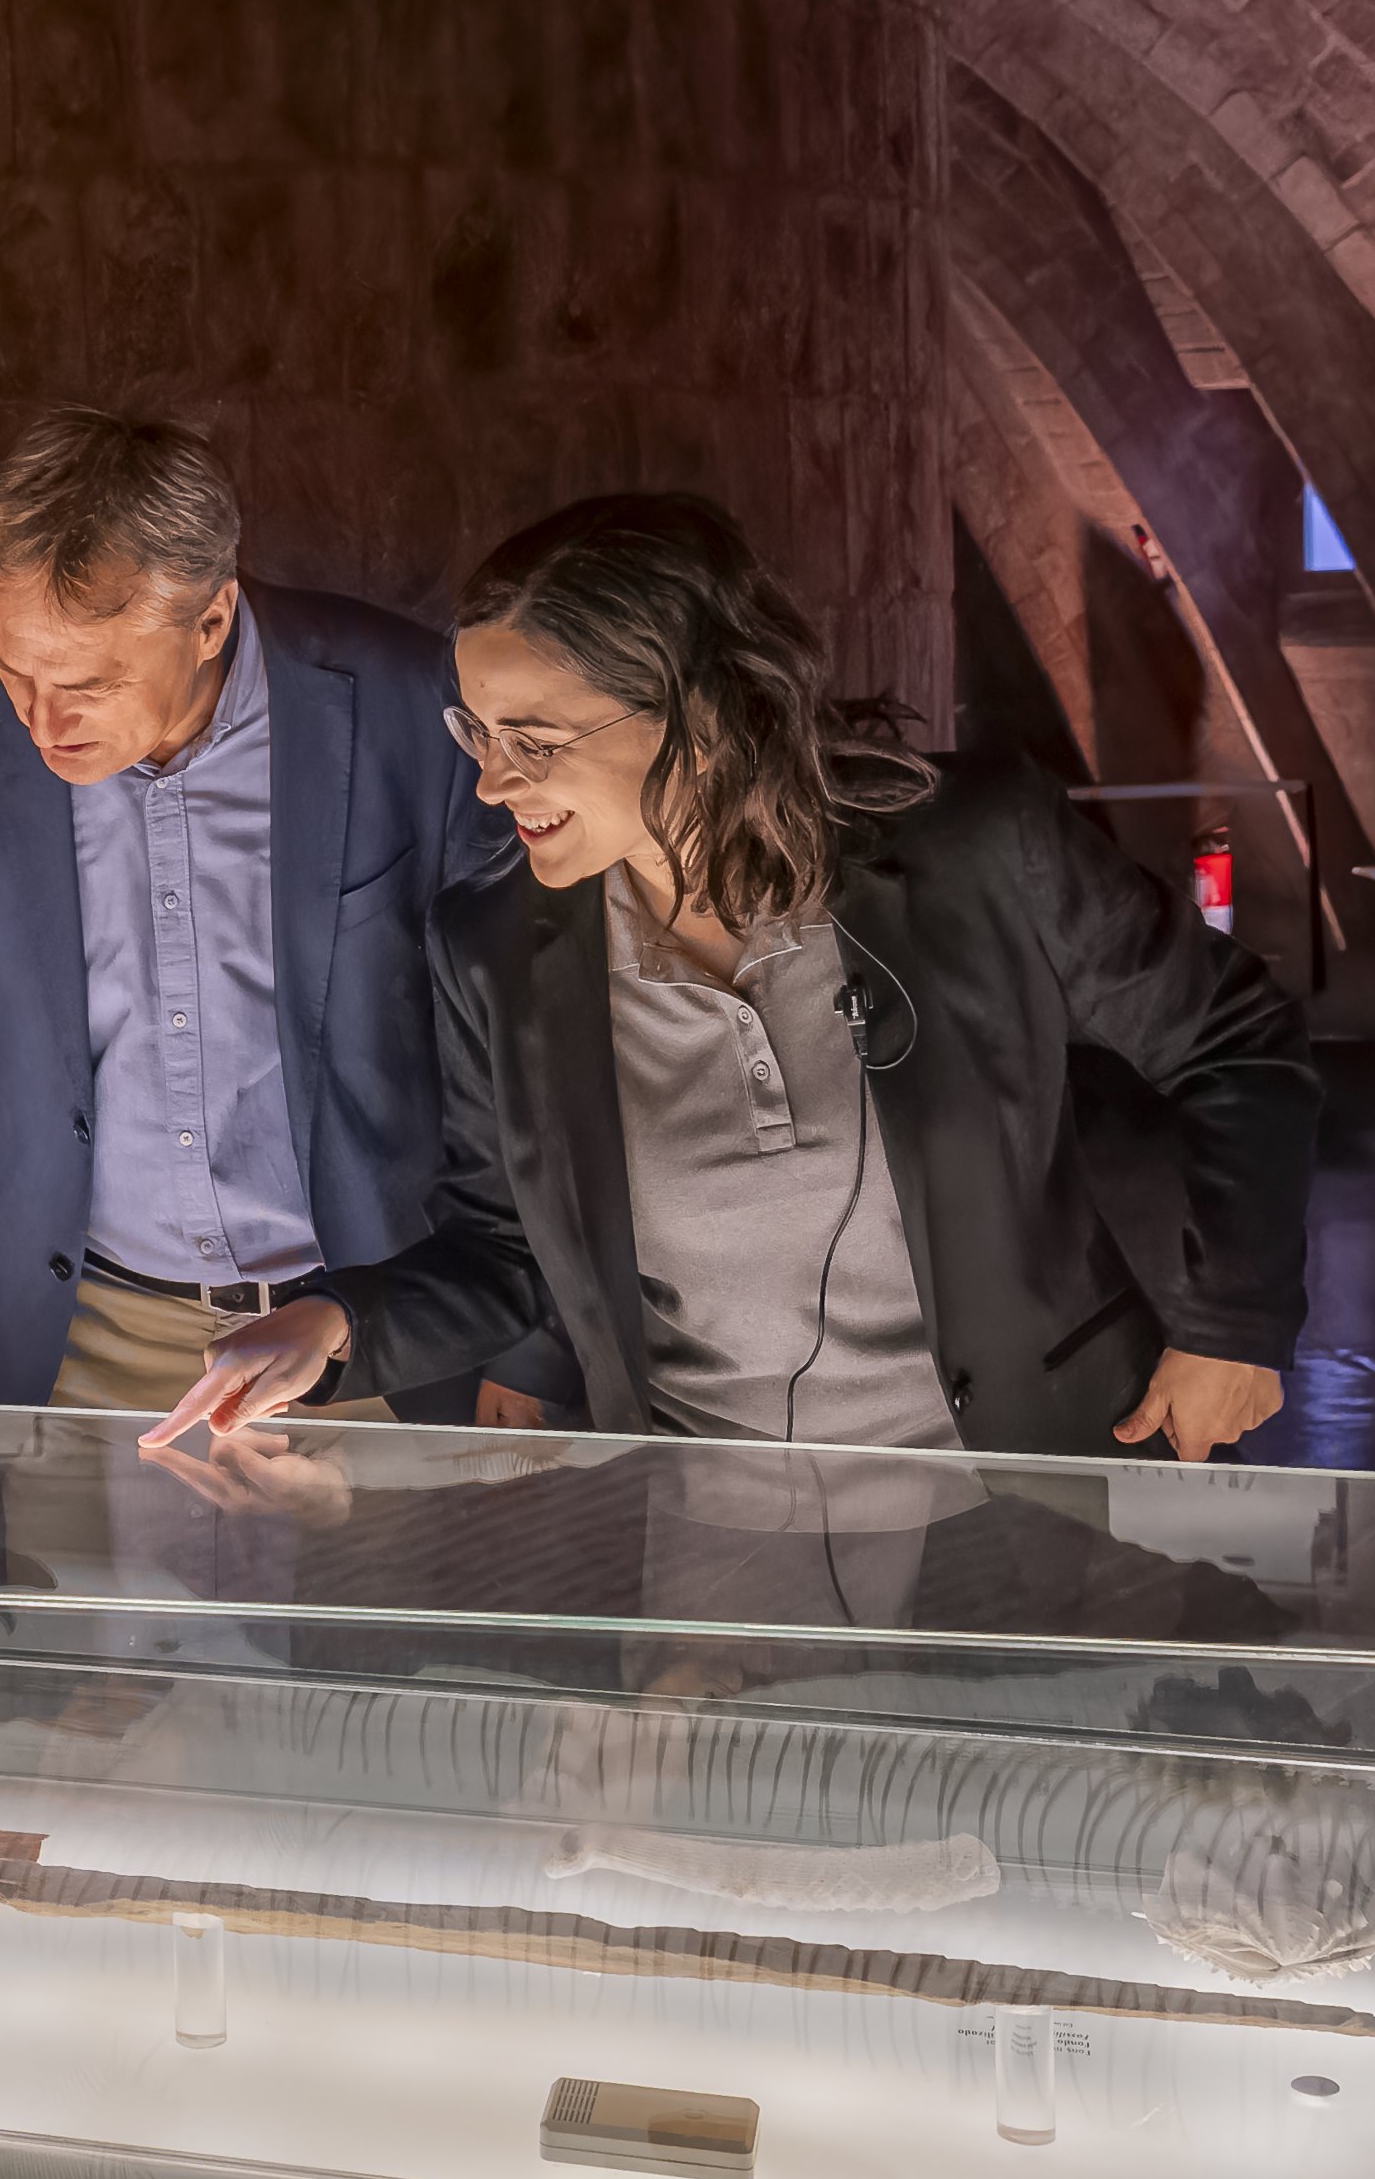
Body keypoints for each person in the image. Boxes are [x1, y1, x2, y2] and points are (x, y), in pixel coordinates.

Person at [158, 495, 1316, 1462]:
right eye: (478, 734)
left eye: (536, 739)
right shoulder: (492, 946)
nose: (492, 785)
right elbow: (510, 1246)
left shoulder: (975, 848)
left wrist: (1236, 1321)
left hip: (1024, 1491)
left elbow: (1237, 1041)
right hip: (703, 1545)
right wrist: (334, 1321)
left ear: (701, 716)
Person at [0, 410, 536, 1414]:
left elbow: (517, 1056)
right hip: (82, 1339)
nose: (39, 721)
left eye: (88, 682)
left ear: (211, 619)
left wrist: (530, 1349)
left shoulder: (418, 705)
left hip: (371, 1331)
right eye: (12, 668)